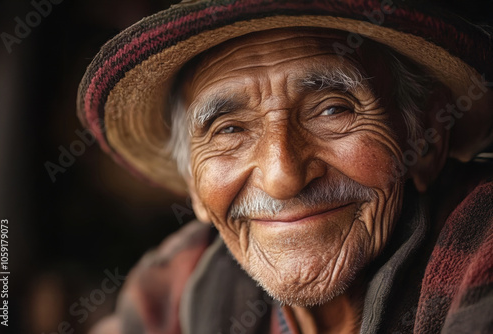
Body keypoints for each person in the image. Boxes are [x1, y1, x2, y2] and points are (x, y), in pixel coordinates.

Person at [78, 0, 493, 333]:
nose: (283, 177)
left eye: (332, 110)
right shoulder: (177, 284)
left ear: (427, 140)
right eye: (229, 129)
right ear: (193, 185)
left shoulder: (481, 248)